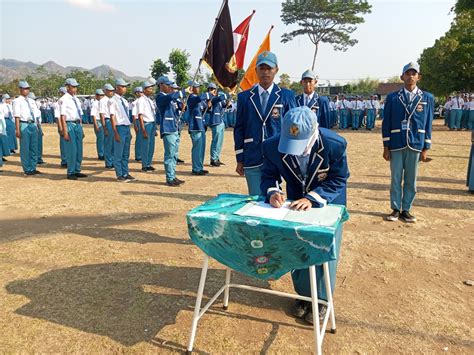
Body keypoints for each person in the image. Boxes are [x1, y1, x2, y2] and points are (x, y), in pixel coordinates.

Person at [260, 105, 349, 324]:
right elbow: (269, 175)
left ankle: (321, 301)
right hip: (294, 206)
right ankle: (303, 295)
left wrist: (312, 198)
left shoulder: (334, 144)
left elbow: (338, 179)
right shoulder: (272, 146)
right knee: (297, 249)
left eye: (301, 145)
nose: (295, 151)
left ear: (315, 132)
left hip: (327, 204)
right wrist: (272, 192)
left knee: (323, 253)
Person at [234, 51, 296, 195]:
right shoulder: (244, 97)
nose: (265, 72)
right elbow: (239, 129)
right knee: (255, 200)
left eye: (269, 68)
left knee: (275, 200)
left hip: (278, 156)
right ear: (255, 70)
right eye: (262, 68)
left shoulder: (286, 96)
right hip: (253, 155)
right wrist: (240, 158)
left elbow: (293, 127)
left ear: (276, 70)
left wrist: (293, 154)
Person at [382, 62, 434, 223]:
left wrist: (426, 147)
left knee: (411, 180)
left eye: (414, 73)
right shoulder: (392, 97)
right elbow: (387, 122)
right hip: (396, 142)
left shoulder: (427, 98)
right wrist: (386, 146)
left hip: (416, 142)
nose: (410, 76)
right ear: (402, 76)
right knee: (396, 178)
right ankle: (395, 209)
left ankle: (407, 209)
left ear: (419, 77)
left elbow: (428, 123)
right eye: (407, 73)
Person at [155, 76, 186, 186]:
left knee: (174, 154)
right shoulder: (160, 97)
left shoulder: (170, 98)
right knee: (169, 154)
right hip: (168, 129)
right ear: (161, 85)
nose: (170, 87)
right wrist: (184, 92)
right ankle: (169, 178)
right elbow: (171, 97)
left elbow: (177, 108)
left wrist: (182, 106)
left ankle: (172, 175)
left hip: (174, 128)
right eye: (167, 85)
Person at [60, 78, 88, 180]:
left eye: (76, 86)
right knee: (72, 150)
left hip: (77, 124)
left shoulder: (76, 99)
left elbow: (79, 114)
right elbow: (62, 116)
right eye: (73, 86)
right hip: (70, 124)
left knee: (79, 149)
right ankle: (70, 171)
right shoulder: (64, 99)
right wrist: (65, 130)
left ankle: (77, 170)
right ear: (67, 87)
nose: (75, 88)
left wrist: (81, 128)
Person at [13, 81, 40, 176]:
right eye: (25, 88)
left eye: (28, 88)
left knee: (34, 147)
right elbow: (17, 116)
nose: (27, 90)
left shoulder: (32, 101)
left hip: (33, 125)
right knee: (25, 148)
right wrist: (17, 129)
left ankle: (33, 167)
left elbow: (36, 115)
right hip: (24, 124)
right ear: (20, 89)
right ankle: (27, 169)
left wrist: (37, 126)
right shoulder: (17, 101)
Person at [109, 78, 134, 182]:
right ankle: (119, 175)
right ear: (117, 87)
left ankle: (125, 172)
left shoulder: (124, 100)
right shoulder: (112, 101)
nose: (125, 89)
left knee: (125, 153)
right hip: (119, 128)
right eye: (123, 87)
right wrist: (115, 132)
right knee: (118, 153)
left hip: (126, 127)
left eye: (126, 87)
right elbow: (112, 116)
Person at [187, 81, 210, 175]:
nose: (198, 88)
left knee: (201, 148)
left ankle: (199, 167)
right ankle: (196, 168)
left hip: (201, 126)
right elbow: (200, 98)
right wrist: (208, 94)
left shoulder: (199, 100)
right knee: (197, 148)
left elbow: (205, 108)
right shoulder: (191, 98)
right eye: (196, 87)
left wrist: (209, 105)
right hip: (195, 126)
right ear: (191, 88)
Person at [136, 80, 158, 172]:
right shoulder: (141, 101)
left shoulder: (149, 100)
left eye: (152, 87)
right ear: (144, 90)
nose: (152, 89)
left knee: (151, 145)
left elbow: (152, 114)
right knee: (146, 146)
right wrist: (143, 129)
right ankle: (144, 165)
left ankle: (149, 163)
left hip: (152, 124)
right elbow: (140, 115)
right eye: (150, 88)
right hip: (146, 124)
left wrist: (155, 127)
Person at [208, 85, 228, 167]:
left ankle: (217, 157)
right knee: (215, 140)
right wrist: (228, 94)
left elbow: (225, 105)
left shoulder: (217, 99)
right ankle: (213, 158)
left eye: (215, 89)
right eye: (212, 89)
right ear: (209, 90)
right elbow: (219, 99)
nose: (214, 91)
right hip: (215, 121)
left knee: (220, 141)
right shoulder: (211, 98)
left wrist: (228, 103)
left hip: (220, 121)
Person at [100, 84, 115, 169]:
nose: (111, 92)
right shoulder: (103, 101)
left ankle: (112, 160)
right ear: (105, 91)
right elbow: (102, 114)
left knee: (113, 143)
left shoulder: (111, 100)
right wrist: (105, 128)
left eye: (112, 90)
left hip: (113, 121)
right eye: (109, 90)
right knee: (108, 143)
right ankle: (108, 162)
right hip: (108, 121)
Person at [54, 87, 68, 168]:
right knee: (63, 143)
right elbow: (57, 116)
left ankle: (69, 160)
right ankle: (64, 160)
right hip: (63, 124)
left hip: (69, 123)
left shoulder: (69, 100)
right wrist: (60, 127)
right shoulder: (59, 102)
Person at [90, 89, 105, 160]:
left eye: (102, 95)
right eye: (100, 95)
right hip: (98, 121)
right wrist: (96, 125)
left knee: (105, 139)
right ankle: (100, 154)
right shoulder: (95, 103)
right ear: (96, 96)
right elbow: (93, 115)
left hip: (103, 121)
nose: (101, 96)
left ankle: (104, 153)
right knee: (100, 139)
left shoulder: (102, 102)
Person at [130, 86, 144, 162]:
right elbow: (134, 115)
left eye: (142, 92)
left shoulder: (143, 101)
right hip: (138, 121)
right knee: (139, 139)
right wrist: (135, 125)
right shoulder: (135, 103)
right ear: (137, 93)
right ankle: (138, 156)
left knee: (142, 139)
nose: (142, 94)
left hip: (143, 120)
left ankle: (141, 154)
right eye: (140, 92)